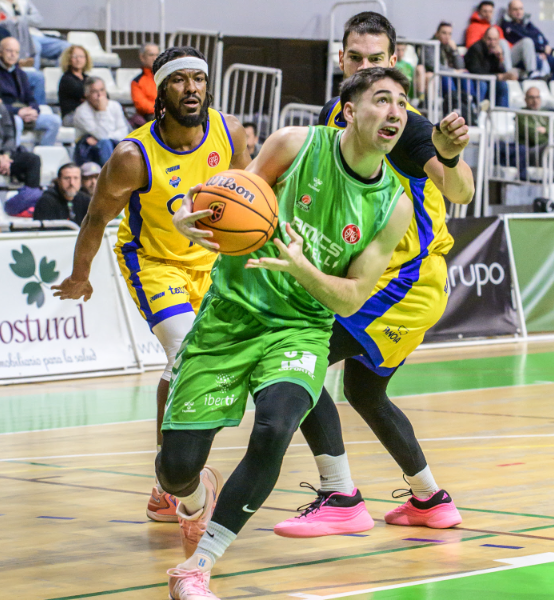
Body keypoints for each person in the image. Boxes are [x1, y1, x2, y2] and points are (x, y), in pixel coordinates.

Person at [158, 66, 417, 600]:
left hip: (300, 330)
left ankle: (197, 568)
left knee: (275, 427)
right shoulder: (295, 145)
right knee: (175, 469)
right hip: (229, 316)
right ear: (349, 111)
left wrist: (302, 269)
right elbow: (229, 197)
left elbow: (351, 297)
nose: (395, 112)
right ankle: (193, 497)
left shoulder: (394, 206)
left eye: (401, 103)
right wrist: (192, 215)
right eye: (382, 99)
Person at [276, 12, 473, 540]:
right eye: (355, 58)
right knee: (364, 392)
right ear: (340, 60)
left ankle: (339, 495)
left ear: (394, 61)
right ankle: (430, 500)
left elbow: (460, 191)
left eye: (376, 59)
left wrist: (451, 155)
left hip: (404, 280)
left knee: (295, 358)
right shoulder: (335, 114)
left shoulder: (405, 125)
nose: (364, 67)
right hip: (375, 276)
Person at [51, 46, 250, 524]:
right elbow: (96, 218)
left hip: (212, 261)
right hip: (153, 262)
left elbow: (251, 193)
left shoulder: (230, 132)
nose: (191, 88)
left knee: (183, 363)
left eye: (198, 79)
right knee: (186, 352)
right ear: (160, 91)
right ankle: (183, 490)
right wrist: (80, 275)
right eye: (179, 80)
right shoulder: (132, 156)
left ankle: (164, 487)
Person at [0, 37, 61, 146]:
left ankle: (42, 153)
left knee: (55, 121)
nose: (13, 55)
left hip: (24, 114)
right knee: (17, 121)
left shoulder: (20, 74)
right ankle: (13, 153)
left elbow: (31, 99)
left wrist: (33, 111)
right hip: (7, 115)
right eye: (9, 51)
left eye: (16, 52)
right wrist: (18, 111)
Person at [500, 0, 554, 80]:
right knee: (528, 43)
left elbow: (540, 36)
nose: (518, 12)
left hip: (541, 53)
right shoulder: (507, 26)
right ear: (509, 11)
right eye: (515, 9)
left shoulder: (527, 23)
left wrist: (545, 46)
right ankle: (532, 74)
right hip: (523, 57)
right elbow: (524, 40)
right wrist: (541, 48)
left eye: (521, 9)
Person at [465, 0, 536, 77]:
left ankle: (532, 72)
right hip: (488, 57)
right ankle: (508, 73)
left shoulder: (497, 28)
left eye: (490, 11)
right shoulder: (473, 27)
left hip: (504, 57)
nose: (488, 14)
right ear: (479, 12)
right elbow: (473, 48)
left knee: (527, 41)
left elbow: (506, 46)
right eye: (485, 11)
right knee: (502, 42)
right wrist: (492, 47)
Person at [72, 77, 129, 166]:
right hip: (89, 152)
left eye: (102, 90)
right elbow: (102, 135)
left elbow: (123, 132)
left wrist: (109, 137)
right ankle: (110, 173)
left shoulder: (115, 106)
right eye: (94, 91)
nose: (100, 95)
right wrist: (102, 111)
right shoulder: (81, 112)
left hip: (115, 146)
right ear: (86, 94)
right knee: (105, 143)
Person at [0, 0, 69, 69]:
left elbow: (38, 20)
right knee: (35, 47)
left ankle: (61, 75)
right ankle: (33, 73)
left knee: (66, 47)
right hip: (18, 38)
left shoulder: (23, 2)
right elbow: (2, 23)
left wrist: (20, 19)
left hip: (35, 34)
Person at [464, 26, 516, 107]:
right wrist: (496, 76)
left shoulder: (495, 51)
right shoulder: (475, 49)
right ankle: (477, 111)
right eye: (489, 39)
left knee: (502, 84)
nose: (492, 42)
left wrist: (500, 59)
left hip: (489, 80)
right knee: (482, 85)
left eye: (495, 39)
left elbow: (501, 72)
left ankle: (502, 112)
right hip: (475, 80)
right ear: (484, 38)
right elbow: (475, 71)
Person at [417, 22, 465, 108]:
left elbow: (461, 66)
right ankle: (454, 102)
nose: (447, 36)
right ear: (437, 33)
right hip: (437, 77)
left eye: (449, 34)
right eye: (444, 33)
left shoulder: (450, 46)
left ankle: (470, 101)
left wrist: (455, 50)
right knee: (447, 77)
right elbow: (433, 65)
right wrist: (453, 71)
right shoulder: (430, 45)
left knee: (465, 75)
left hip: (449, 76)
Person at [58, 44, 91, 126]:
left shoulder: (87, 78)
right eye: (75, 57)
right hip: (71, 116)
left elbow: (104, 95)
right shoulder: (66, 79)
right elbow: (84, 92)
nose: (78, 60)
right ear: (69, 59)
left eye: (81, 57)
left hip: (88, 114)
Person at [130, 43, 159, 126]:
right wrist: (160, 109)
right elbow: (141, 105)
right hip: (150, 116)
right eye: (151, 55)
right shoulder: (137, 82)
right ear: (142, 57)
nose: (155, 58)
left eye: (157, 55)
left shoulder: (166, 77)